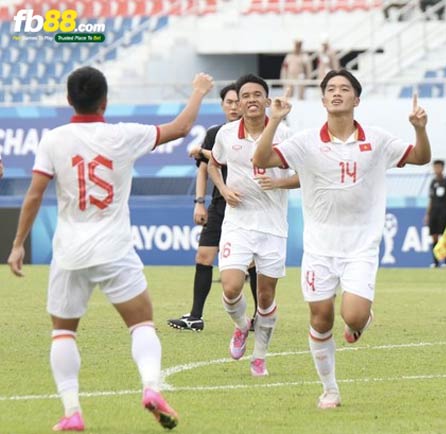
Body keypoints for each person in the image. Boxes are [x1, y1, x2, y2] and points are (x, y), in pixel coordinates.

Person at [6, 66, 214, 431]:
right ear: (105, 101)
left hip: (70, 251)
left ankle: (72, 411)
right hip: (115, 248)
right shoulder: (124, 135)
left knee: (63, 332)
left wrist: (18, 244)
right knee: (142, 323)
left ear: (69, 99)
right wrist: (198, 90)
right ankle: (151, 387)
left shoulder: (53, 139)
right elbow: (181, 128)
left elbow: (35, 194)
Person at [253, 69, 431, 408]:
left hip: (361, 246)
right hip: (319, 247)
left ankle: (360, 319)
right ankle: (330, 389)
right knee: (320, 318)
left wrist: (419, 129)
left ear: (356, 99)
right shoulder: (306, 142)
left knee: (352, 317)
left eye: (344, 88)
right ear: (322, 100)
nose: (337, 93)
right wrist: (273, 120)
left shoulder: (377, 140)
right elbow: (261, 160)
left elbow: (421, 157)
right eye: (330, 89)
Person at [208, 74, 299, 377]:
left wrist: (279, 182)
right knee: (232, 287)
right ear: (239, 101)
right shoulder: (226, 134)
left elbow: (306, 175)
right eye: (244, 95)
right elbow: (213, 164)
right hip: (238, 222)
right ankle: (240, 325)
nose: (250, 100)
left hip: (273, 226)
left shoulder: (284, 134)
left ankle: (260, 356)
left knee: (266, 297)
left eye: (256, 95)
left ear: (266, 100)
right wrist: (222, 189)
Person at [167, 83, 260, 332]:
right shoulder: (216, 133)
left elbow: (240, 159)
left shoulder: (253, 133)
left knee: (251, 263)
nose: (232, 106)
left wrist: (203, 152)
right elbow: (203, 171)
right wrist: (199, 203)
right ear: (222, 105)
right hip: (219, 205)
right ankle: (196, 316)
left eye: (236, 101)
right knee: (203, 257)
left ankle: (260, 315)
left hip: (245, 205)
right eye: (228, 102)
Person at [425, 159, 446, 267]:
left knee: (445, 237)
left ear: (443, 168)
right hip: (434, 213)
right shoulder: (433, 182)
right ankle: (436, 262)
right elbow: (431, 199)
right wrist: (427, 214)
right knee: (434, 237)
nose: (437, 169)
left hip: (444, 213)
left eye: (439, 167)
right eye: (435, 167)